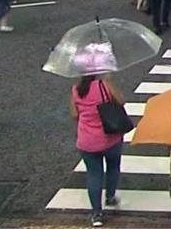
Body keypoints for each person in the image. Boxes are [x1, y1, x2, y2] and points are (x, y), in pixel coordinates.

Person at [70, 73, 124, 227]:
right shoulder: (104, 86)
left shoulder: (76, 90)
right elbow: (120, 101)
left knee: (94, 174)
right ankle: (110, 197)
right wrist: (109, 81)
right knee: (113, 167)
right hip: (110, 138)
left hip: (87, 141)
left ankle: (96, 214)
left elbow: (74, 115)